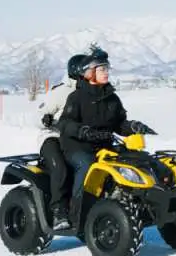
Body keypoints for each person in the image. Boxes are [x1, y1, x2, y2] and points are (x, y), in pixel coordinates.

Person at [56, 47, 154, 222]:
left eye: (107, 68)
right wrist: (81, 130)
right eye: (102, 69)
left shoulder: (112, 98)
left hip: (104, 145)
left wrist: (133, 126)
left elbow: (119, 124)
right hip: (77, 147)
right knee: (87, 165)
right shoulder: (76, 98)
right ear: (89, 73)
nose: (106, 72)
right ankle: (76, 212)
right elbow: (64, 123)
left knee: (134, 160)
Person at [35, 54, 84, 231]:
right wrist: (45, 119)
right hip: (53, 137)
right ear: (78, 72)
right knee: (60, 166)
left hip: (79, 140)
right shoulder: (61, 92)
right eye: (87, 70)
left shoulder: (90, 93)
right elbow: (37, 114)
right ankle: (59, 212)